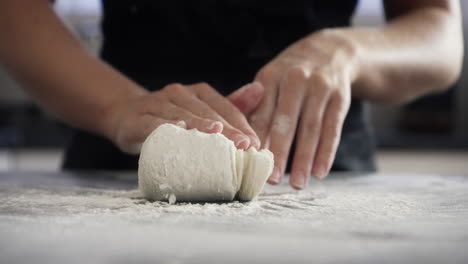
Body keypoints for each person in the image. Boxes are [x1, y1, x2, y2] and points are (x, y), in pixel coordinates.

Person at [0, 0, 463, 189]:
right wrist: (118, 105)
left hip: (315, 169)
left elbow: (440, 34)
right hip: (123, 158)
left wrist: (350, 50)